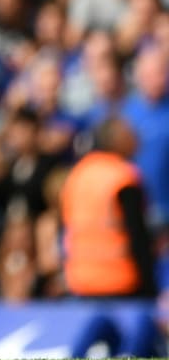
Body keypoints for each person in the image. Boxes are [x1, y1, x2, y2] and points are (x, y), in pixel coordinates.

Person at [59, 117, 158, 299]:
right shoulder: (122, 177)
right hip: (120, 281)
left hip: (80, 281)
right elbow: (138, 236)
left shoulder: (77, 174)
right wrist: (151, 290)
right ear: (116, 139)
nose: (136, 138)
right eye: (130, 133)